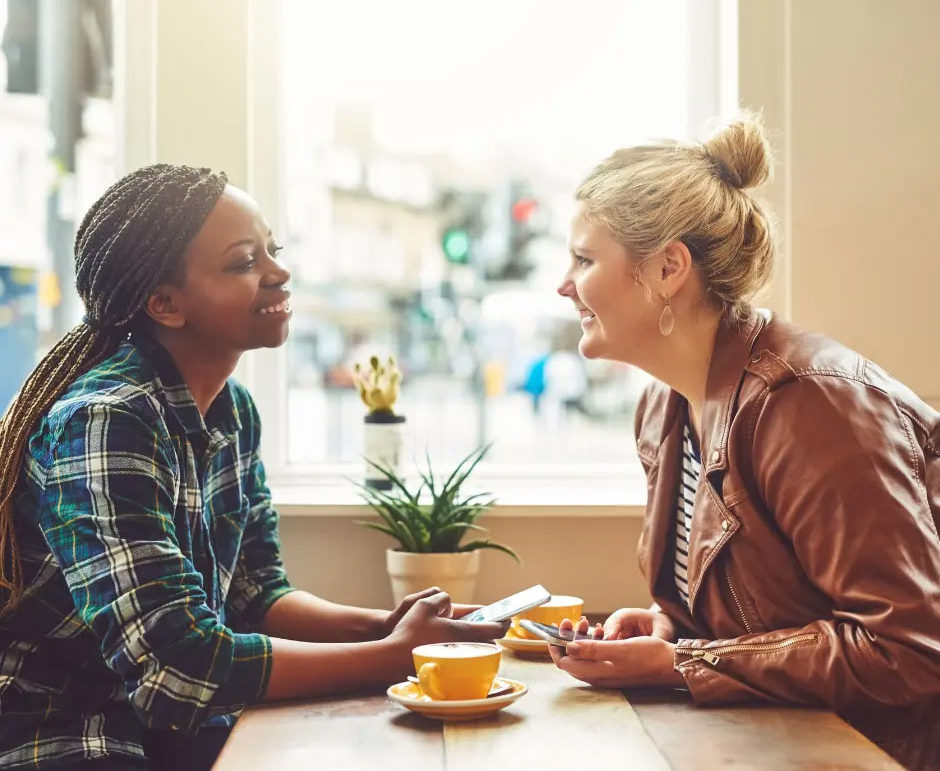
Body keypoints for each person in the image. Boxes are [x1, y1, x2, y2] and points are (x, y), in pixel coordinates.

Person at [0, 164, 506, 770]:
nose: (279, 272)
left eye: (274, 250)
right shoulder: (107, 420)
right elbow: (177, 667)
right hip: (59, 730)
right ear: (164, 303)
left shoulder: (231, 410)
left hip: (158, 725)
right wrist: (399, 655)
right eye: (243, 262)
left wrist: (384, 627)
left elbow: (254, 594)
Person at [550, 115, 940, 769]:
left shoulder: (812, 404)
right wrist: (668, 628)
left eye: (585, 260)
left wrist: (681, 662)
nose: (565, 285)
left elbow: (908, 648)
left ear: (669, 267)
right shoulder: (663, 404)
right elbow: (761, 614)